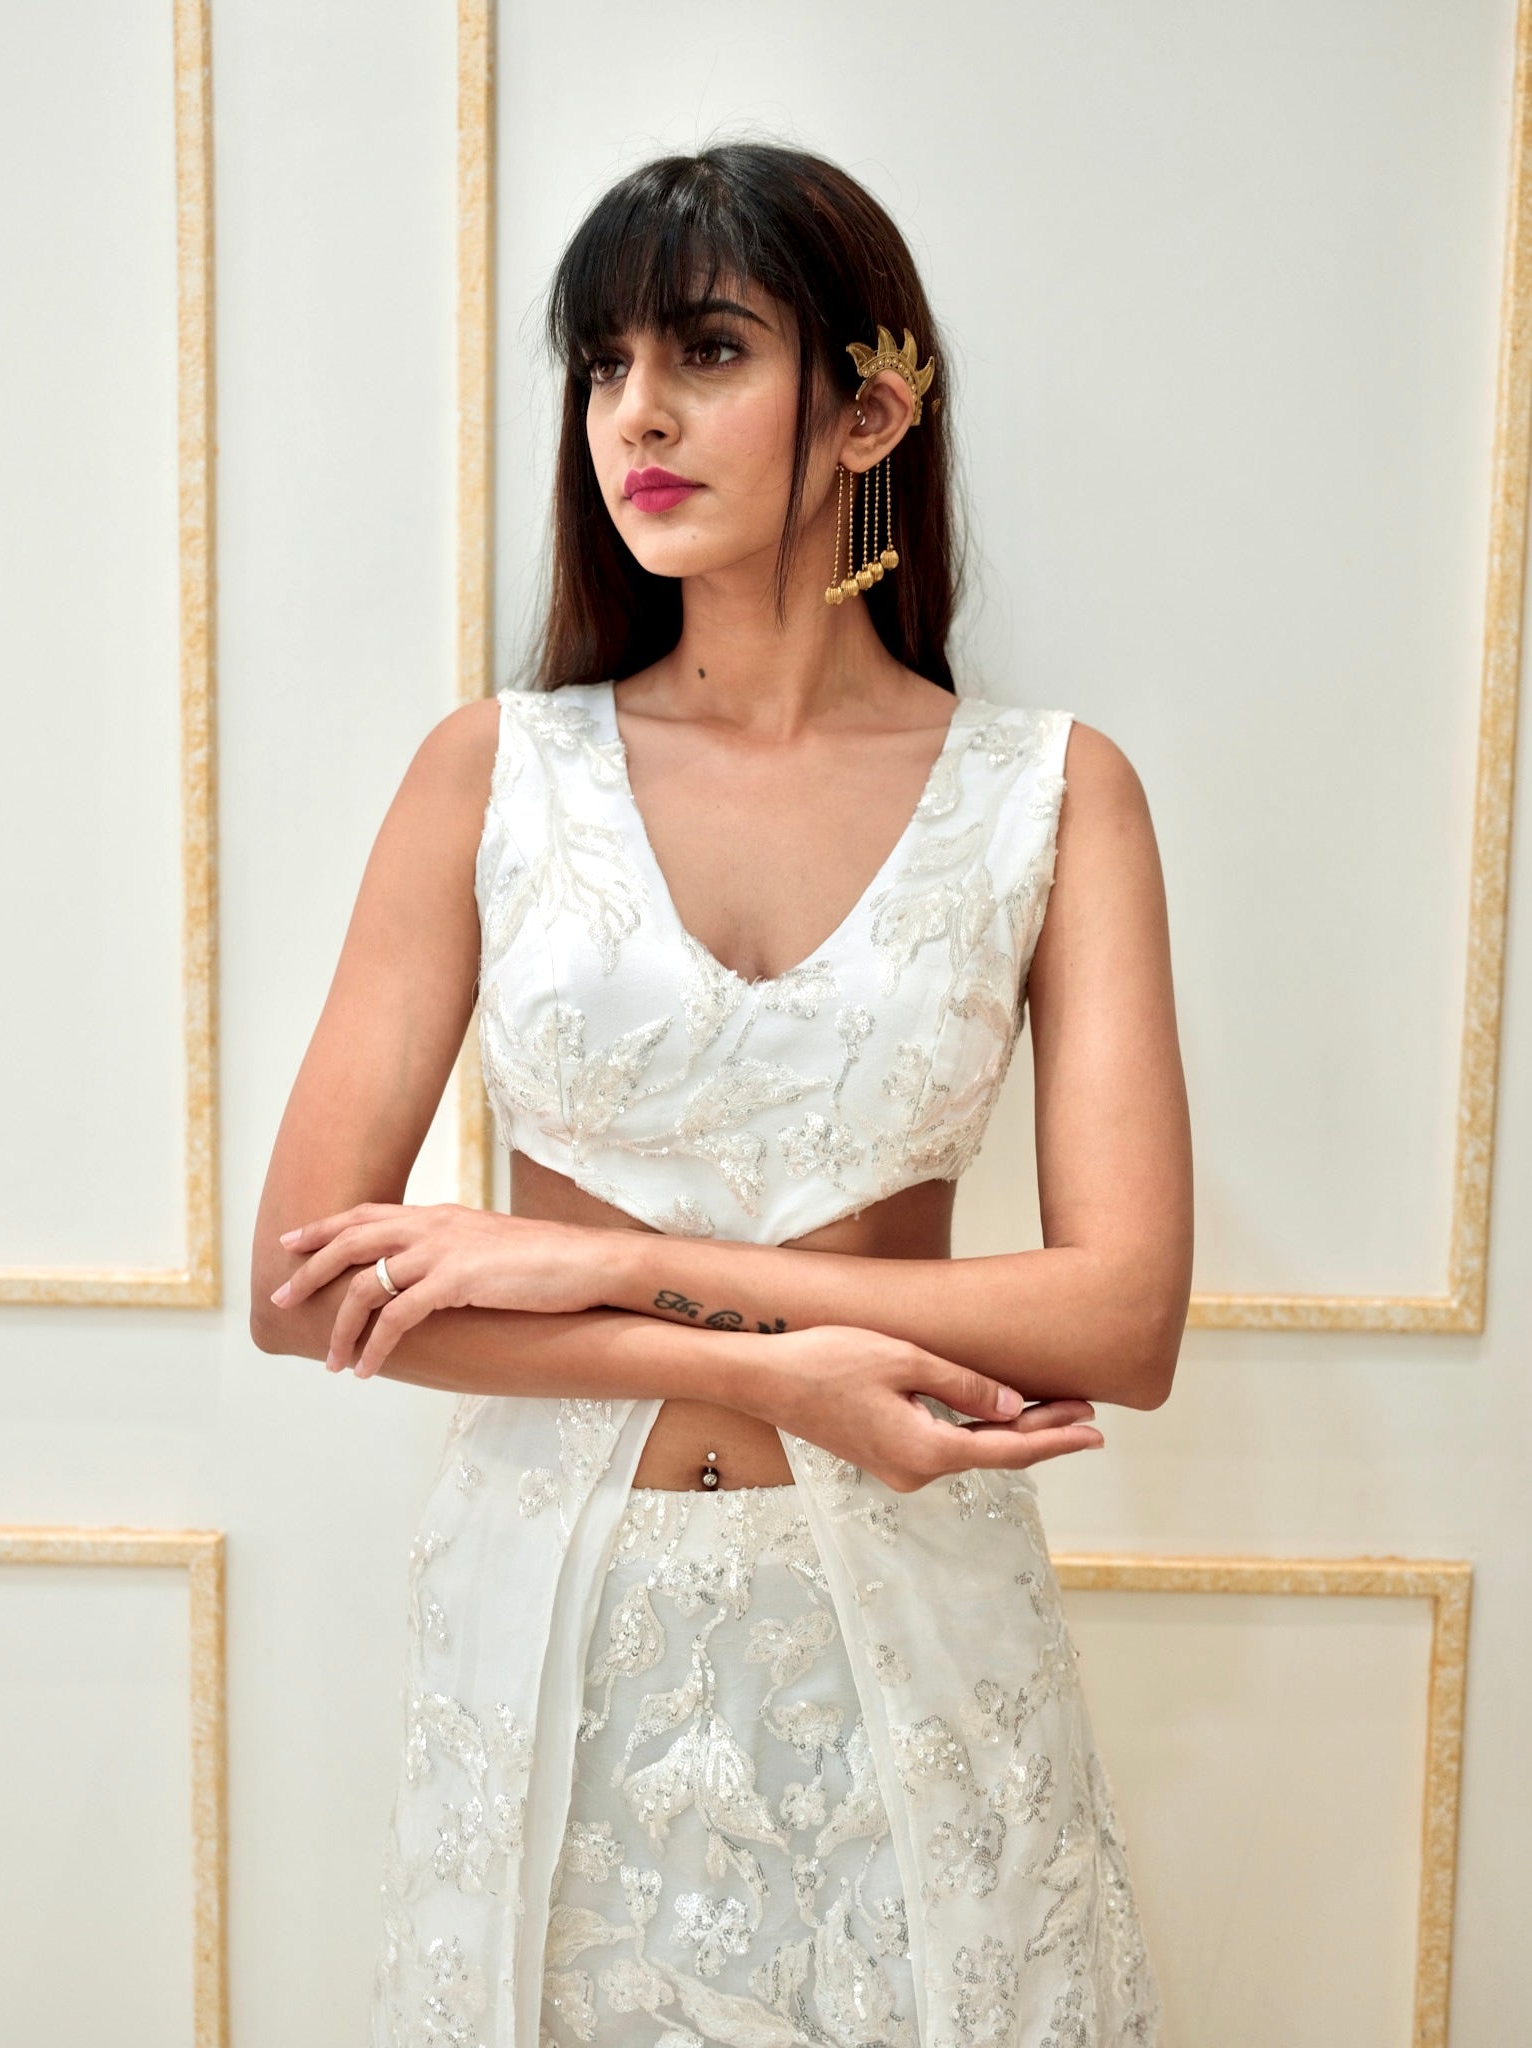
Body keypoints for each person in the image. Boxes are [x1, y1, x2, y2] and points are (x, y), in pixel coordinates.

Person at [252, 140, 1192, 2048]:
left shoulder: (1051, 793)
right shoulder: (490, 773)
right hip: (555, 1620)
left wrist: (560, 1260)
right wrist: (773, 1373)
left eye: (702, 350)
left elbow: (1119, 1314)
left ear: (868, 404)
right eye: (600, 365)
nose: (636, 417)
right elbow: (307, 1286)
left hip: (919, 1616)